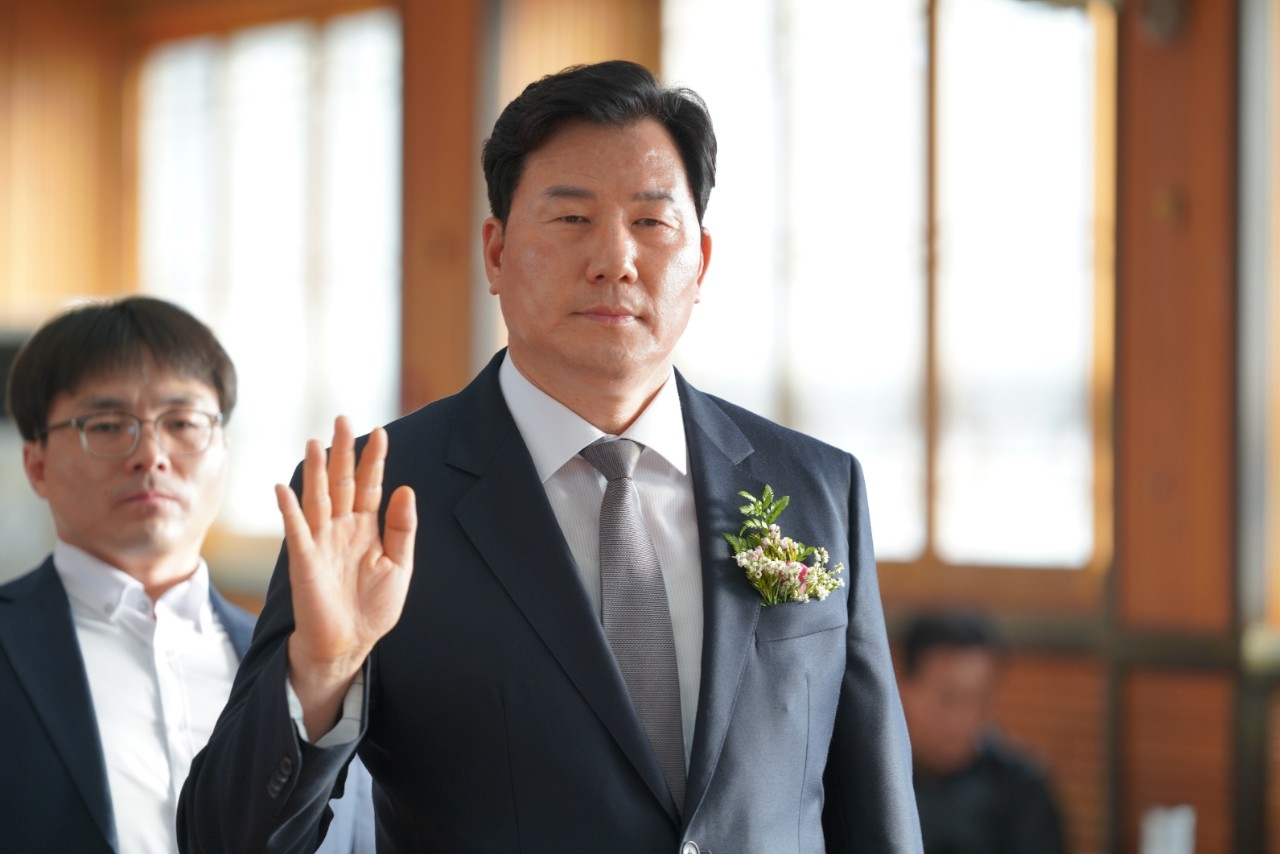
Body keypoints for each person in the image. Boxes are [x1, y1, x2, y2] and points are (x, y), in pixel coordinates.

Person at [178, 60, 921, 853]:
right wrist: (321, 672)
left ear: (701, 261)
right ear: (496, 253)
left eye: (651, 222)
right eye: (571, 219)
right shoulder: (378, 499)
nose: (615, 260)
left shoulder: (815, 487)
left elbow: (874, 812)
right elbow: (225, 839)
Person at [0, 296, 374, 853]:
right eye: (107, 425)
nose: (151, 454)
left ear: (223, 447)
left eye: (181, 422)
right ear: (36, 464)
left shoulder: (310, 663)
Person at [898, 611, 1068, 854]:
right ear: (904, 688)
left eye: (978, 700)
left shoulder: (1021, 787)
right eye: (947, 698)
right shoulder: (874, 779)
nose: (960, 721)